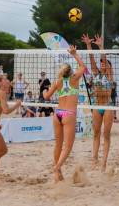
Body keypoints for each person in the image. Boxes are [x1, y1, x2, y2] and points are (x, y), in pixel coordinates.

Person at [43, 45, 85, 182]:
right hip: (68, 114)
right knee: (68, 146)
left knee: (58, 145)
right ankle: (57, 167)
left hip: (58, 114)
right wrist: (75, 54)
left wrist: (44, 91)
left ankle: (58, 173)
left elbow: (46, 97)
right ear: (70, 71)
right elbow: (83, 67)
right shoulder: (74, 79)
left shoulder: (58, 82)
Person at [82, 34, 114, 172]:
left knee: (106, 135)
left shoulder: (108, 74)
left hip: (107, 106)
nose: (102, 64)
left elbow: (103, 58)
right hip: (96, 106)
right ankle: (94, 158)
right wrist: (89, 45)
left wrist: (101, 47)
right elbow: (91, 60)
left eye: (104, 63)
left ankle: (104, 163)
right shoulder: (95, 73)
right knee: (95, 134)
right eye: (101, 63)